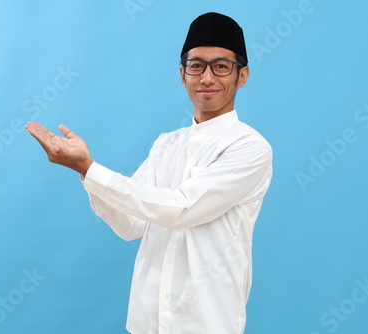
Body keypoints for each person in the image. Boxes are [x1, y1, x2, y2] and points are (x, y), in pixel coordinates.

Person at [26, 12, 273, 334]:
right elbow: (131, 224)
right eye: (196, 66)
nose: (207, 78)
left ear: (242, 76)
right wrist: (85, 174)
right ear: (183, 75)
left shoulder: (249, 147)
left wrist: (90, 168)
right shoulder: (167, 144)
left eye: (221, 66)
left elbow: (182, 209)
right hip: (146, 321)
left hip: (208, 322)